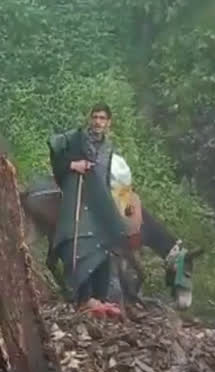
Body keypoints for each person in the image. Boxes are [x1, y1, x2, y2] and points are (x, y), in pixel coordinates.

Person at [48, 103, 128, 316]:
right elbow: (55, 147)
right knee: (81, 244)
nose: (98, 122)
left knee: (104, 245)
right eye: (95, 117)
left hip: (100, 203)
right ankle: (82, 297)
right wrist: (74, 166)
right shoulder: (76, 138)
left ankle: (99, 298)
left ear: (108, 122)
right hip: (79, 197)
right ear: (89, 118)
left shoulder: (109, 149)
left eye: (102, 118)